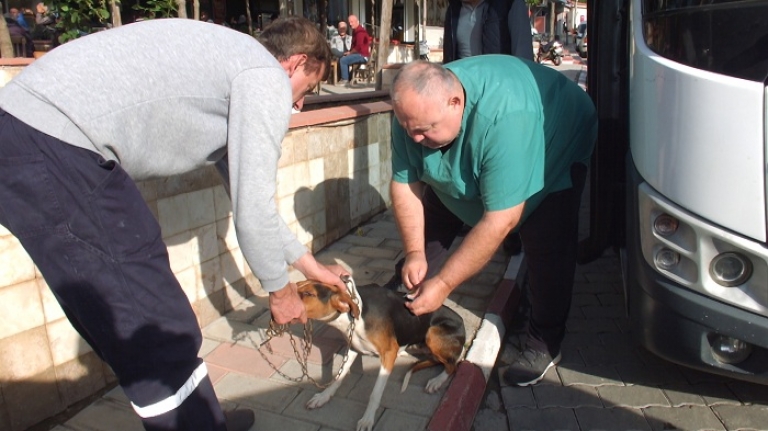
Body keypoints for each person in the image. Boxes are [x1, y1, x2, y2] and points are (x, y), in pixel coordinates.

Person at [0, 16, 343, 431]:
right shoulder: (263, 75)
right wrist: (281, 291)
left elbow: (256, 206)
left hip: (28, 136)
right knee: (152, 322)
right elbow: (252, 212)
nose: (299, 105)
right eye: (306, 89)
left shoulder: (233, 63)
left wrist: (310, 267)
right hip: (55, 145)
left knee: (133, 319)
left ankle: (202, 420)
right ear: (294, 63)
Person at [389, 58, 597, 387]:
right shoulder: (413, 112)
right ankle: (408, 294)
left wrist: (444, 284)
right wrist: (415, 253)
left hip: (558, 136)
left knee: (545, 239)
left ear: (455, 102)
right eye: (407, 128)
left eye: (424, 129)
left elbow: (501, 220)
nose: (413, 138)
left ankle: (546, 339)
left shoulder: (507, 117)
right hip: (486, 141)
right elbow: (405, 183)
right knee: (439, 208)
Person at [442, 0, 533, 64]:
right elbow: (449, 57)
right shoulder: (453, 10)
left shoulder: (510, 4)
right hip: (463, 85)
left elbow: (523, 56)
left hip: (497, 85)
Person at [337, 14, 370, 86]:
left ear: (357, 21)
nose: (350, 24)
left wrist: (350, 53)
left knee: (343, 60)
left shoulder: (360, 32)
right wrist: (349, 53)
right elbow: (353, 46)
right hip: (358, 54)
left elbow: (358, 47)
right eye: (349, 22)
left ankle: (345, 80)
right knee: (343, 58)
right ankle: (347, 78)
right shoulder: (355, 31)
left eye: (352, 22)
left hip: (363, 55)